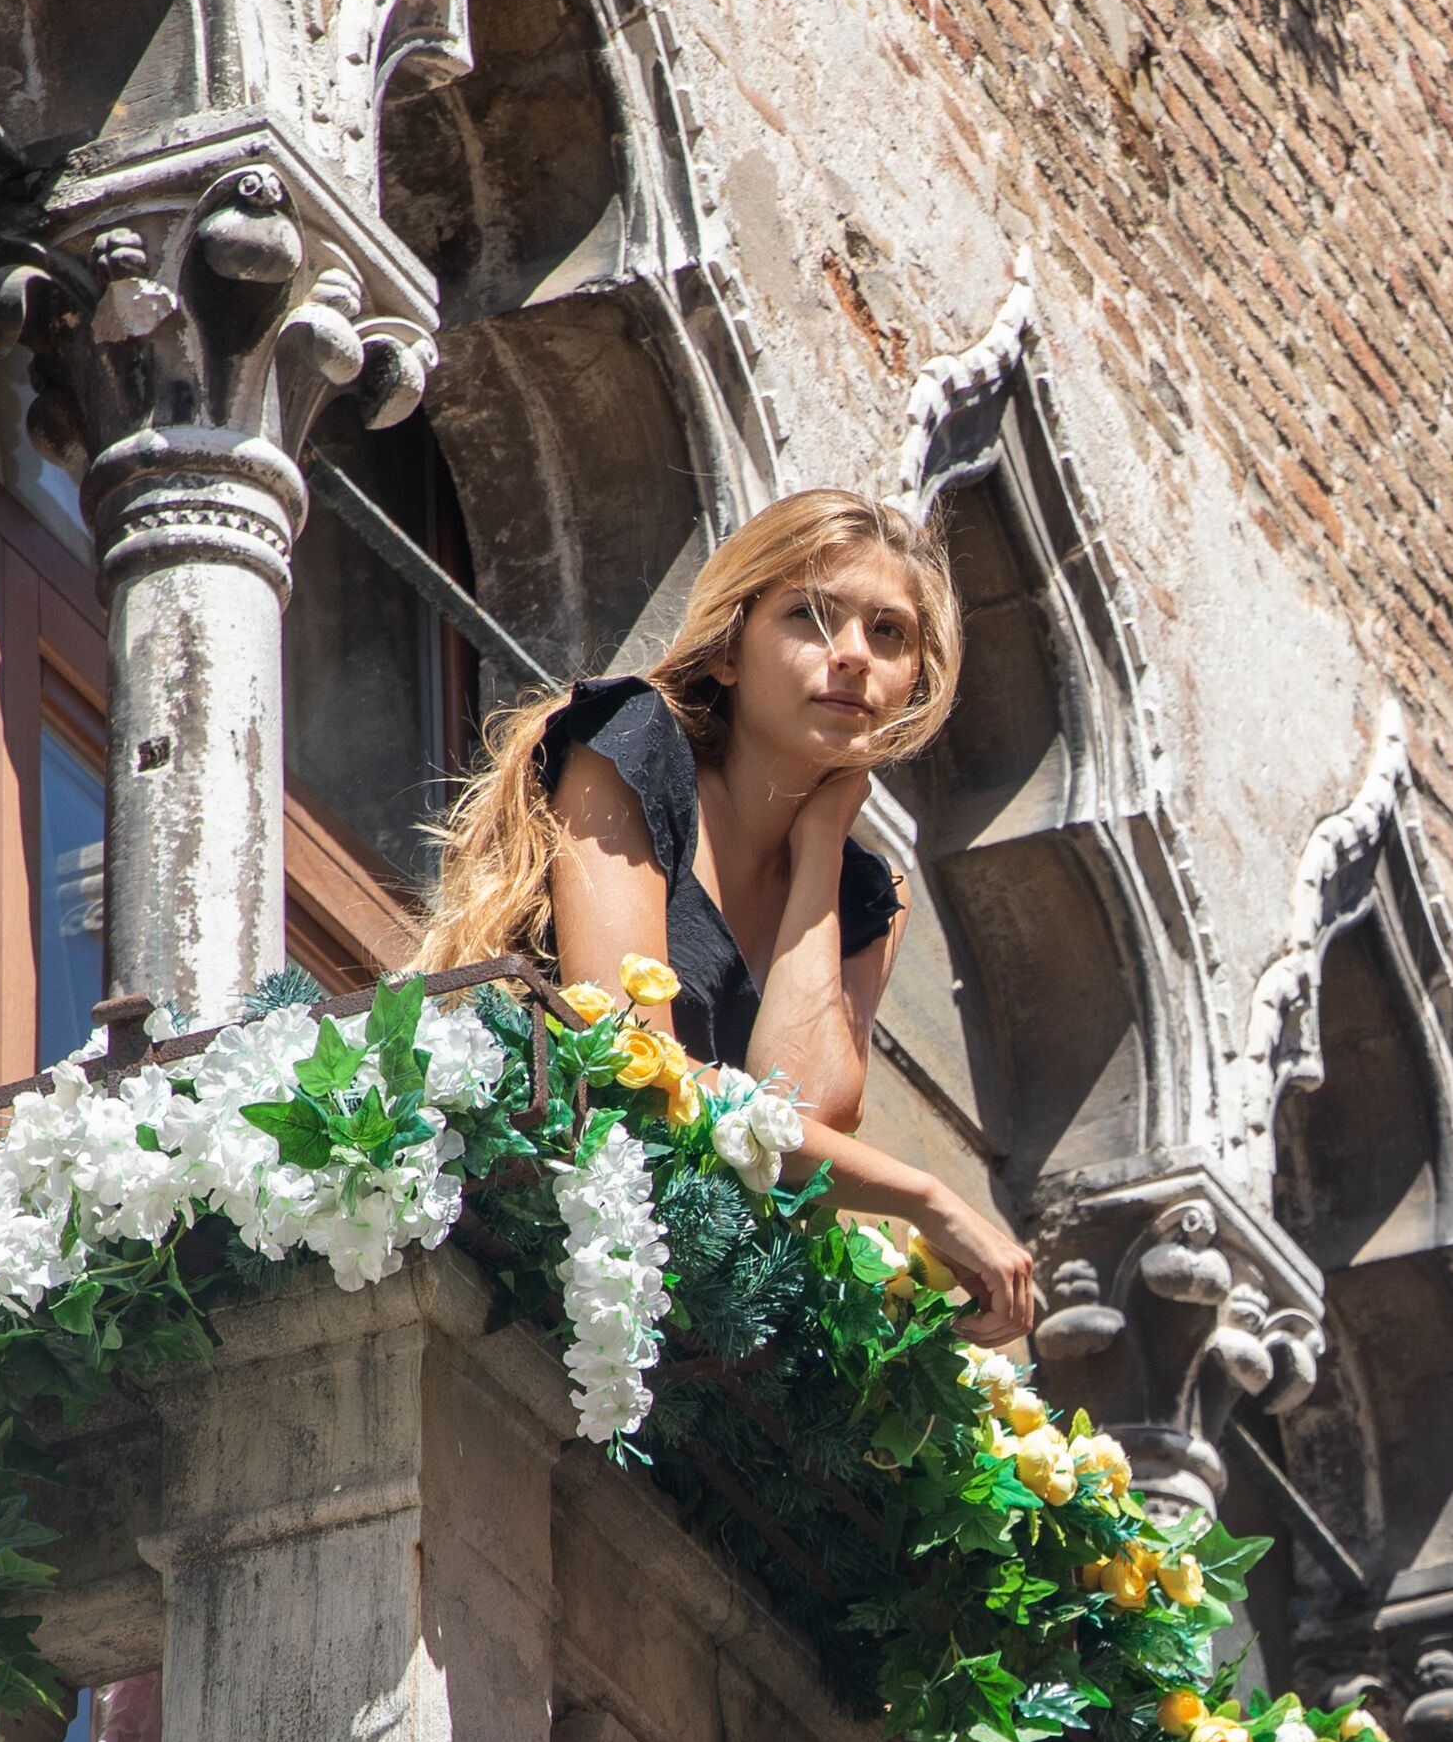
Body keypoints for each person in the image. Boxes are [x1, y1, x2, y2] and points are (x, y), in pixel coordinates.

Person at [417, 489, 1039, 1342]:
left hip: (668, 1300)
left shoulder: (866, 898)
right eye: (809, 616)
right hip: (518, 1227)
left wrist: (821, 845)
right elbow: (629, 1062)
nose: (854, 655)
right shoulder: (635, 743)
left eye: (889, 633)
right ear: (729, 654)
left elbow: (797, 1116)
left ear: (913, 683)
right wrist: (924, 1196)